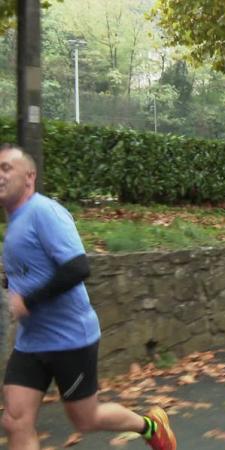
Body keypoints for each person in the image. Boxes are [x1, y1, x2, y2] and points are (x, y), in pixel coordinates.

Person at [0, 145, 176, 450]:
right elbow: (30, 271)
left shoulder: (44, 211)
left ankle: (149, 425)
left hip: (70, 338)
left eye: (5, 168)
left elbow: (78, 267)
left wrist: (28, 301)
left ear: (30, 176)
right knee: (16, 420)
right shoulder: (15, 221)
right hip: (32, 341)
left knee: (86, 419)